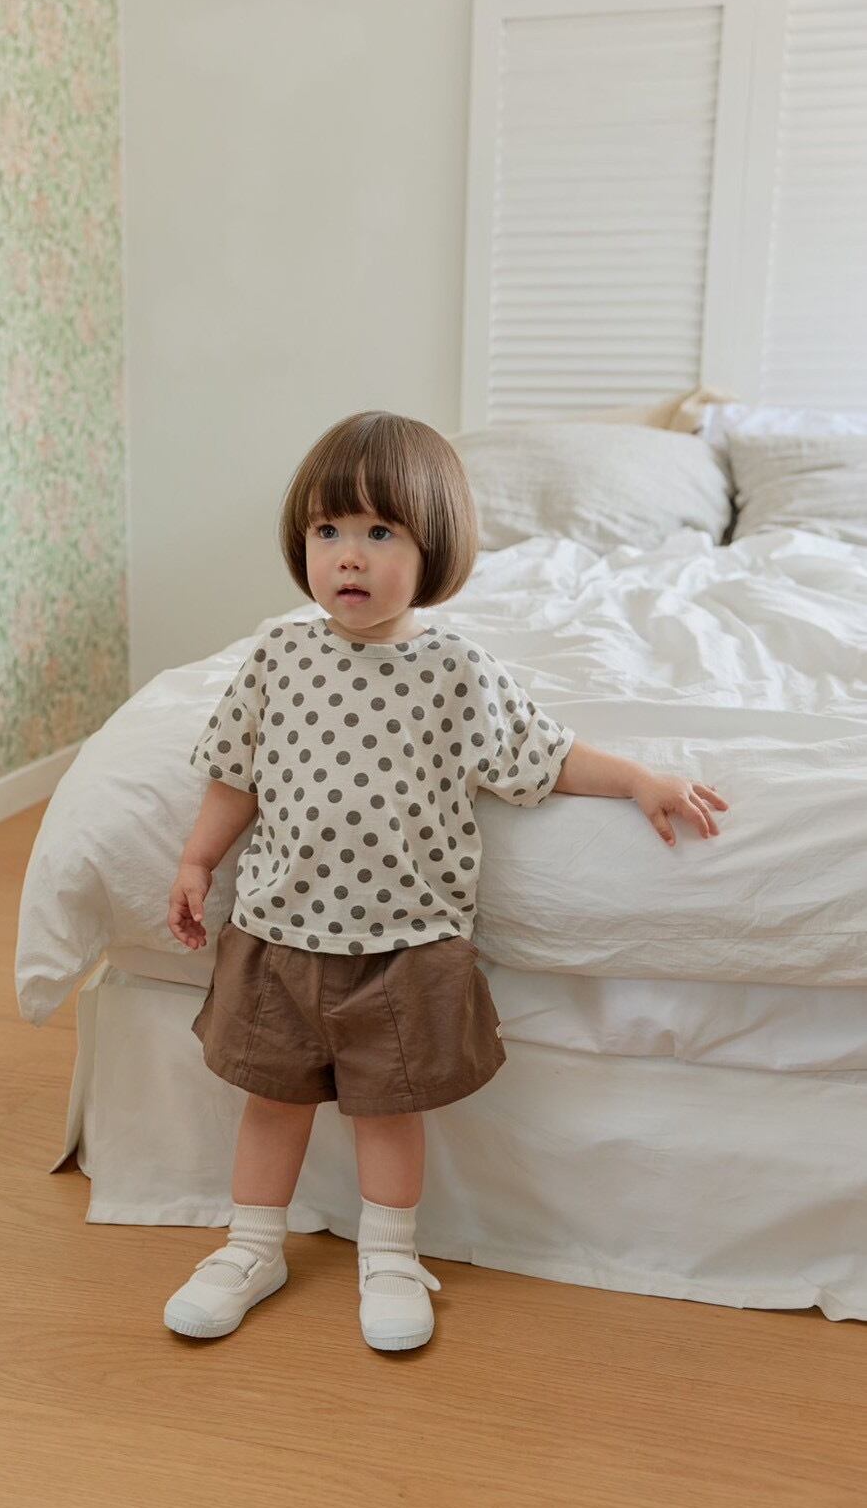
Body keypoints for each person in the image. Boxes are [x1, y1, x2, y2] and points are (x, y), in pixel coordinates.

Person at [163, 409, 729, 1351]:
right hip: (277, 932)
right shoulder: (276, 656)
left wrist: (636, 778)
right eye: (327, 530)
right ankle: (251, 1245)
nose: (349, 555)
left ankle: (389, 1255)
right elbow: (235, 774)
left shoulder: (453, 670)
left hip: (406, 944)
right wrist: (195, 861)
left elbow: (543, 755)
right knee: (271, 1100)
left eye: (380, 531)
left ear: (434, 549)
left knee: (390, 1111)